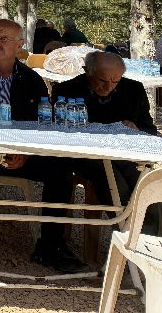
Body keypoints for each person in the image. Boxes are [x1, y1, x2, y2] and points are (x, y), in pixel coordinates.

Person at [0, 19, 85, 272]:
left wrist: (26, 153)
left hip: (19, 153)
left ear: (19, 45)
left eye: (3, 39)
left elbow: (42, 124)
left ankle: (50, 246)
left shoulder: (31, 79)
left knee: (60, 170)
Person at [52, 51, 160, 232]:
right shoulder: (66, 91)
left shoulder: (133, 90)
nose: (109, 86)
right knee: (110, 175)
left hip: (124, 153)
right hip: (86, 155)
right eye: (102, 80)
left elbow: (149, 130)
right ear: (88, 71)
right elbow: (59, 131)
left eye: (115, 81)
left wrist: (135, 128)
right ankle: (127, 232)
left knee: (144, 179)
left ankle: (150, 237)